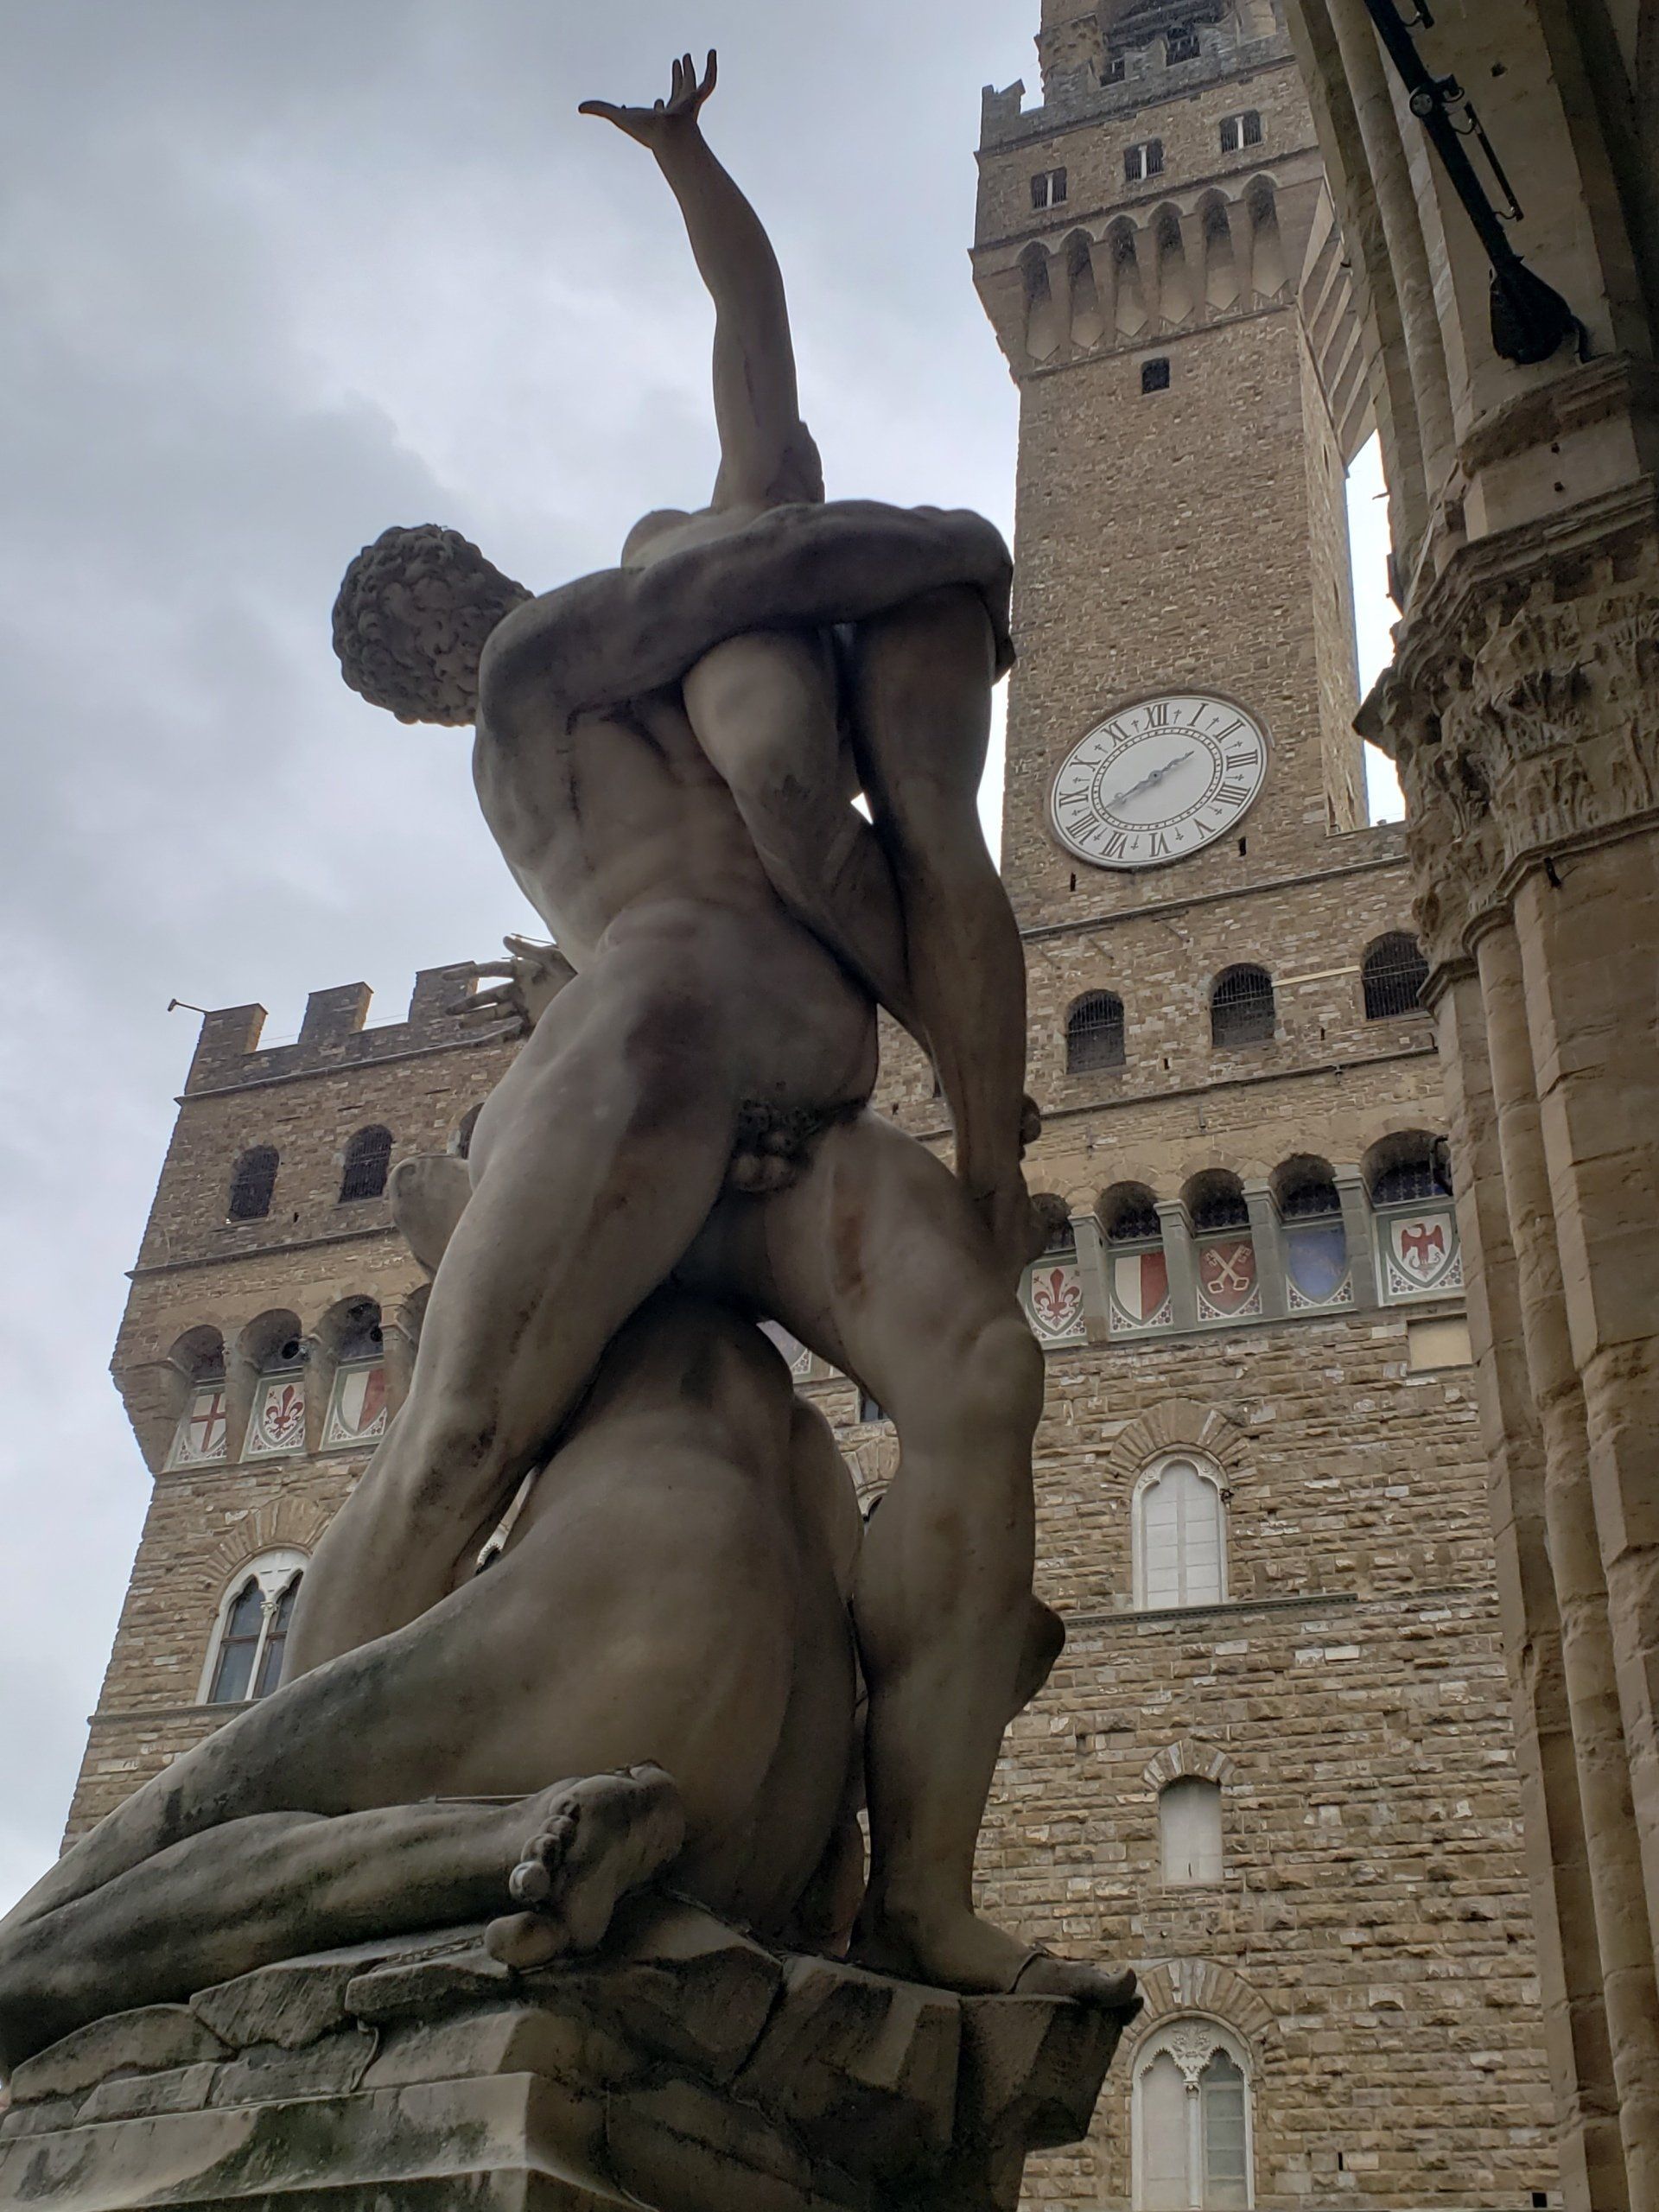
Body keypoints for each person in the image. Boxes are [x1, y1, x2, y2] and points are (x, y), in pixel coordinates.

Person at [297, 54, 1130, 2005]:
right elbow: (780, 549)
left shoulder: (664, 586)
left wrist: (694, 168)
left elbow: (753, 363)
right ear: (434, 675)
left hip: (784, 1116)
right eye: (422, 634)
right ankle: (279, 1839)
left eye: (437, 597)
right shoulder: (539, 691)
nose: (454, 623)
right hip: (656, 1059)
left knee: (981, 1377)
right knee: (454, 1446)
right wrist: (936, 556)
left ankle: (918, 1884)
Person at [0, 1281, 867, 2074]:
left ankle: (500, 1842)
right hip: (776, 1803)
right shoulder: (816, 1429)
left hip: (621, 1634)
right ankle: (521, 1841)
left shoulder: (580, 1171)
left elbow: (448, 1448)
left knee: (128, 1896)